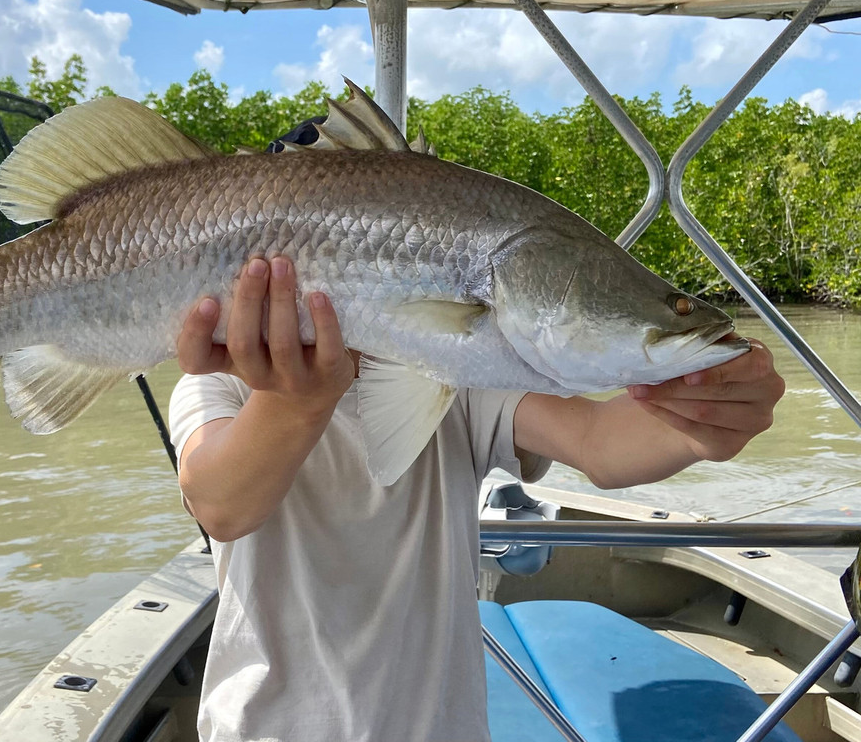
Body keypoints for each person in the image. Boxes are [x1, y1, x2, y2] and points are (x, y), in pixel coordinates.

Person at [168, 133, 786, 742]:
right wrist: (299, 399)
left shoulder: (458, 373)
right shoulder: (217, 384)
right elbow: (221, 504)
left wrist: (708, 421)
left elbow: (600, 441)